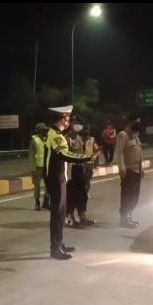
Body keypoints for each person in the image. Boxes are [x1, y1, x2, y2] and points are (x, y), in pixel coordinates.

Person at [44, 105, 93, 260]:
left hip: (59, 179)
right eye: (68, 119)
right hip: (55, 180)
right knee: (57, 215)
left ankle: (59, 243)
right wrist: (85, 158)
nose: (69, 122)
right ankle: (55, 249)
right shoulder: (55, 136)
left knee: (61, 213)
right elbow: (63, 154)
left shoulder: (54, 134)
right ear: (63, 118)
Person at [115, 114, 144, 228]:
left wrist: (142, 169)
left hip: (137, 171)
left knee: (134, 196)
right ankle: (123, 219)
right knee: (127, 196)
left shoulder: (135, 136)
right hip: (128, 171)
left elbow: (139, 153)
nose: (138, 124)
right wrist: (122, 169)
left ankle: (130, 217)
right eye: (136, 122)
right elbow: (119, 153)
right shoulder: (123, 135)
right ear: (129, 122)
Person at [65, 118, 94, 227]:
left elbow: (82, 153)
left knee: (83, 194)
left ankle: (82, 216)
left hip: (80, 168)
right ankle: (71, 218)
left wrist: (86, 166)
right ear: (70, 125)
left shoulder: (79, 138)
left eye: (79, 124)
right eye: (76, 123)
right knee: (72, 195)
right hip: (70, 170)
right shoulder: (66, 139)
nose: (78, 126)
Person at [29, 123, 49, 210]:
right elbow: (31, 156)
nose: (46, 132)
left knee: (48, 186)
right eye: (44, 130)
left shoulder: (46, 140)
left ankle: (46, 202)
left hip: (47, 167)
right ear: (40, 131)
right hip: (38, 168)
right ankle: (37, 203)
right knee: (37, 187)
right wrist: (32, 170)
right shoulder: (34, 141)